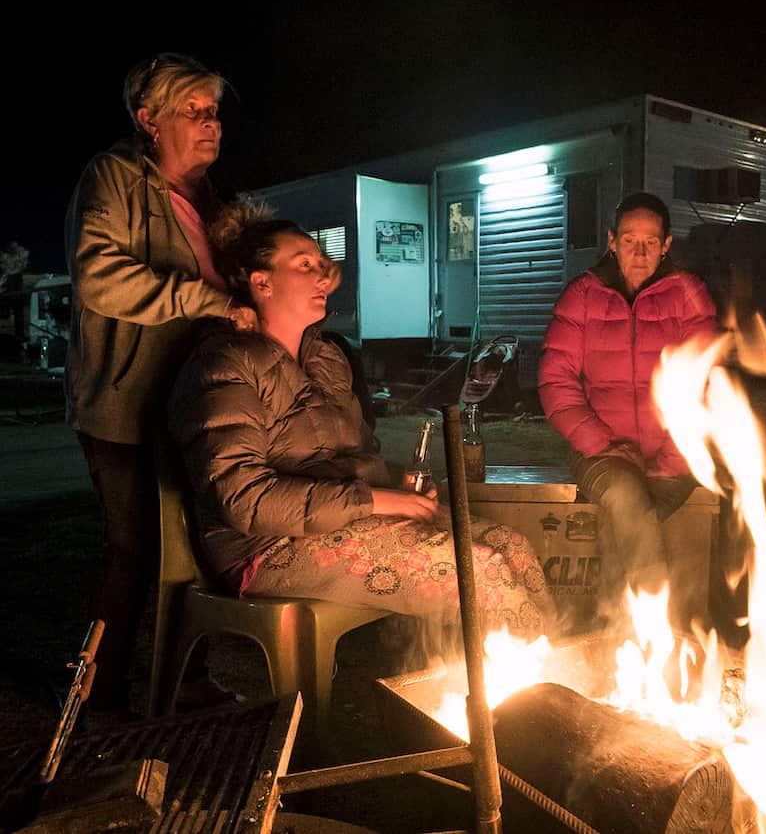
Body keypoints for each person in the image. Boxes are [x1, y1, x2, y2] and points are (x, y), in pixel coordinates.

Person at [168, 203, 553, 655]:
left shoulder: (326, 359)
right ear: (261, 281)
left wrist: (396, 483)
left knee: (512, 546)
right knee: (482, 572)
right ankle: (533, 705)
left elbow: (354, 454)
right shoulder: (227, 365)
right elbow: (242, 497)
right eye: (304, 265)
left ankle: (552, 684)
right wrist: (379, 499)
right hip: (268, 547)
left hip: (354, 518)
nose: (321, 276)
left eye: (322, 264)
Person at [65, 53, 257, 715]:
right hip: (122, 400)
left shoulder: (211, 203)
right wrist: (201, 299)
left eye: (215, 114)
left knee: (196, 541)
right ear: (147, 119)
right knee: (134, 547)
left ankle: (188, 679)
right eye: (194, 112)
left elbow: (241, 285)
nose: (212, 127)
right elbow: (97, 276)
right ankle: (98, 691)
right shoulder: (114, 179)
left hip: (190, 402)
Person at [539, 192, 719, 632]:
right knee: (626, 499)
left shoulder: (688, 295)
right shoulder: (582, 296)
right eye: (629, 239)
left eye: (650, 241)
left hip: (672, 459)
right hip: (600, 455)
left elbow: (707, 384)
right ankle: (655, 634)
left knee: (635, 517)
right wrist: (605, 446)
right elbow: (556, 383)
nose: (639, 251)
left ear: (666, 245)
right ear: (612, 241)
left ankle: (612, 631)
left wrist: (671, 462)